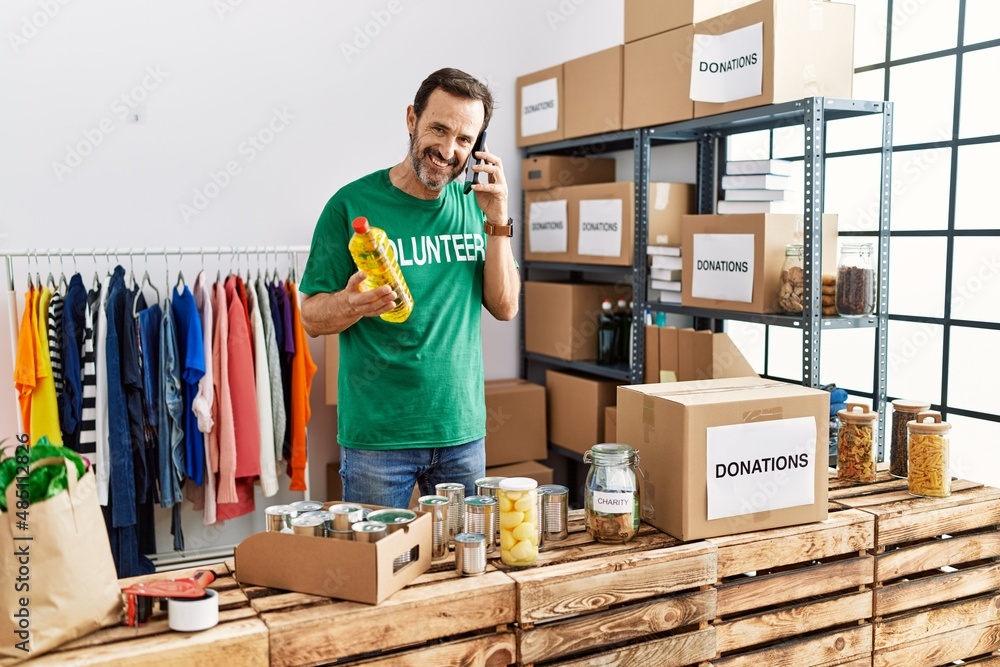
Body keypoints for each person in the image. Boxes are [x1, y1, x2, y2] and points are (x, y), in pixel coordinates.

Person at [299, 68, 520, 509]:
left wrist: (497, 219)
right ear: (411, 119)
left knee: (464, 572)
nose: (448, 150)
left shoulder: (476, 207)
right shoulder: (349, 205)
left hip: (461, 434)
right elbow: (310, 318)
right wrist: (350, 303)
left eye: (465, 139)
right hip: (378, 442)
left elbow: (505, 306)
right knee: (381, 570)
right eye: (439, 128)